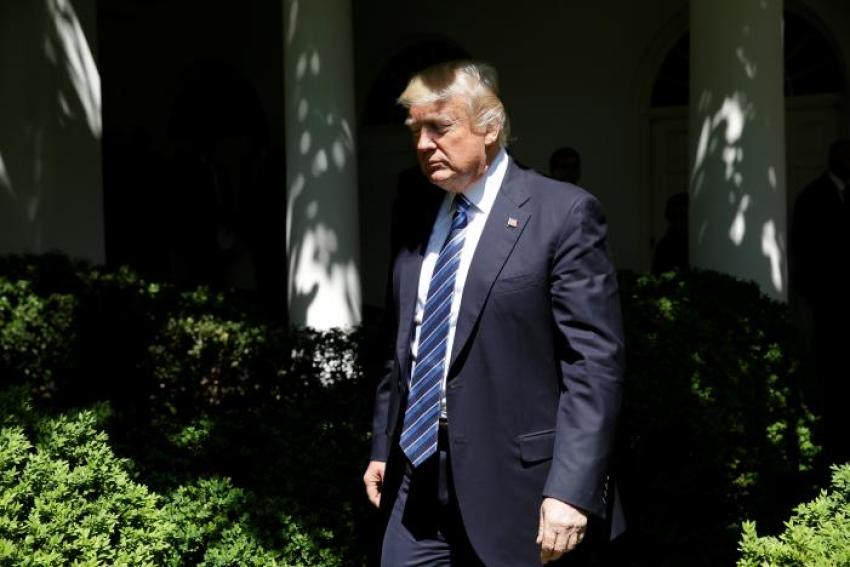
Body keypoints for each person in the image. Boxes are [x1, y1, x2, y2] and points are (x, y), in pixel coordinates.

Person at [363, 60, 625, 566]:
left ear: (490, 127)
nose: (423, 144)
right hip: (415, 476)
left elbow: (593, 365)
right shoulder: (414, 209)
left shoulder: (562, 214)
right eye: (415, 130)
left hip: (518, 489)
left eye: (440, 127)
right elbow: (401, 340)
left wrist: (571, 489)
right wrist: (381, 444)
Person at [790, 138, 850, 463]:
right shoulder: (812, 198)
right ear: (833, 159)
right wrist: (814, 296)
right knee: (830, 373)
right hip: (828, 304)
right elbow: (804, 250)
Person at [652, 192, 688, 273]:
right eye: (674, 217)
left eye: (683, 217)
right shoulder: (665, 245)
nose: (679, 223)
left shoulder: (697, 245)